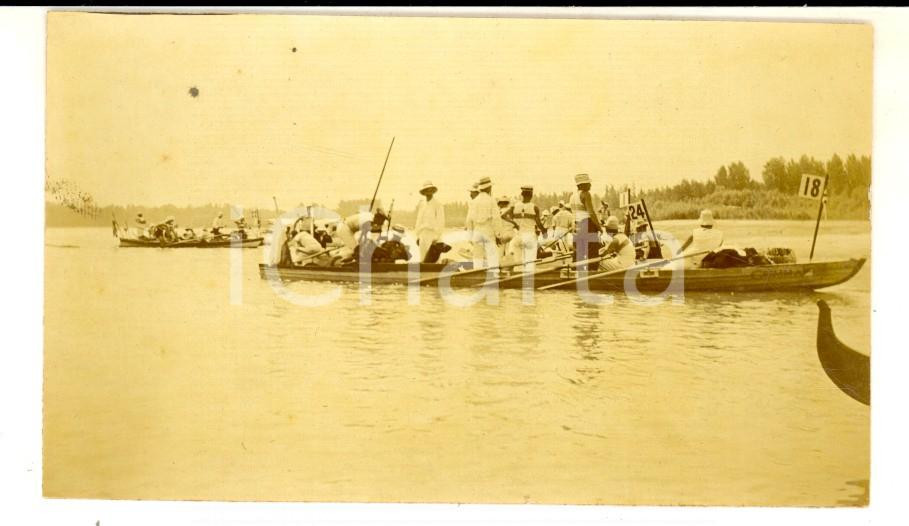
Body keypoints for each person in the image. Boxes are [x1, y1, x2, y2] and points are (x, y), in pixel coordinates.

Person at [508, 185, 548, 272]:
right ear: (531, 195)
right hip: (529, 236)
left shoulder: (514, 206)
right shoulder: (534, 207)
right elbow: (538, 223)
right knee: (530, 264)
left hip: (518, 236)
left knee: (518, 264)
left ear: (522, 194)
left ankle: (516, 280)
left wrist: (514, 223)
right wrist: (544, 232)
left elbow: (505, 217)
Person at [569, 173, 603, 269]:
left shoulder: (572, 196)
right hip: (587, 224)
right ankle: (592, 275)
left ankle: (574, 274)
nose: (590, 185)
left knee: (578, 253)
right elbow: (591, 212)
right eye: (588, 183)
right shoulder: (586, 194)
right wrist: (599, 227)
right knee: (592, 253)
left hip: (577, 225)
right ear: (582, 185)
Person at [465, 177, 497, 271]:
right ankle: (494, 275)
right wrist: (498, 234)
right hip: (488, 230)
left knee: (477, 257)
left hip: (477, 231)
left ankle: (477, 274)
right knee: (492, 255)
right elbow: (496, 219)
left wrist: (470, 236)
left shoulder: (473, 202)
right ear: (489, 188)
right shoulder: (491, 200)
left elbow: (469, 220)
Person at [414, 180, 446, 262]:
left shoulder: (438, 204)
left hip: (432, 235)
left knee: (434, 259)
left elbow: (441, 222)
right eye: (426, 190)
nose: (428, 191)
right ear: (424, 192)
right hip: (422, 234)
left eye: (430, 189)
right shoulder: (422, 204)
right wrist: (418, 236)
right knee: (423, 258)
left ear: (433, 191)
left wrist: (436, 238)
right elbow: (418, 220)